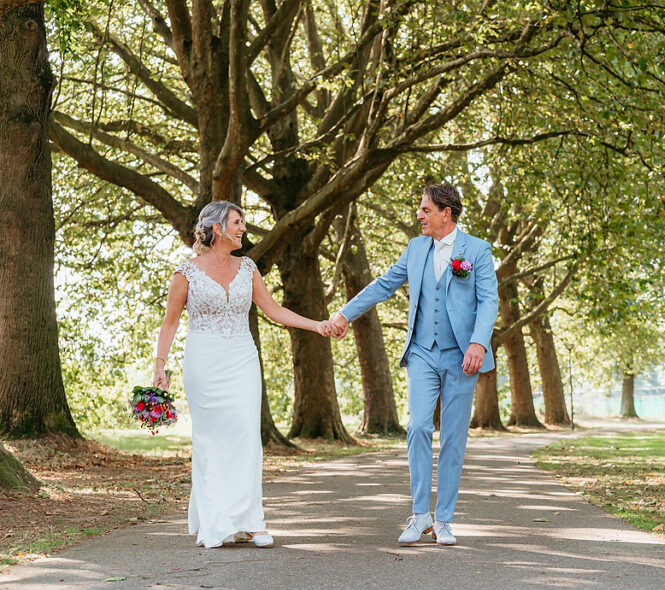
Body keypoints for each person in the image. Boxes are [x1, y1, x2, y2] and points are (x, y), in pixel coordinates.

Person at [153, 200, 331, 549]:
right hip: (203, 362)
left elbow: (274, 311)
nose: (243, 228)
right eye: (237, 222)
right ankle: (217, 522)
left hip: (242, 360)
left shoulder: (248, 267)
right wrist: (160, 365)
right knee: (211, 441)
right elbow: (170, 322)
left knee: (247, 437)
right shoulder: (185, 272)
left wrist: (318, 325)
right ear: (217, 229)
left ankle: (252, 521)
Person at [330, 183, 498, 546]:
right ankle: (420, 513)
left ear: (445, 214)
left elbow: (489, 302)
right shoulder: (415, 247)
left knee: (453, 437)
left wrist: (477, 343)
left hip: (461, 355)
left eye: (425, 210)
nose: (419, 216)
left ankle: (445, 520)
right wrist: (345, 313)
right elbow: (384, 285)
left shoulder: (478, 251)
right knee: (419, 426)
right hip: (422, 351)